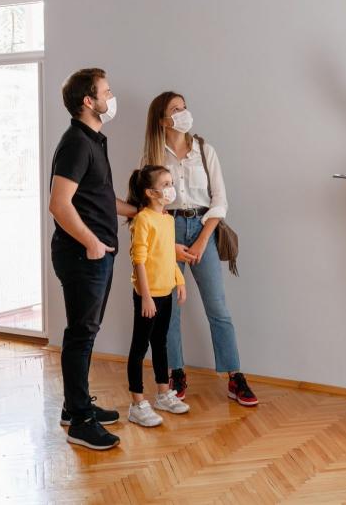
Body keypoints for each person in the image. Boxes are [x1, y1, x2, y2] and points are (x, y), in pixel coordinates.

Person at [140, 91, 258, 407]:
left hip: (203, 227)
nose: (183, 113)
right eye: (175, 109)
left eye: (184, 107)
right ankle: (176, 372)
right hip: (167, 231)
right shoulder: (153, 156)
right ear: (162, 120)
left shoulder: (204, 150)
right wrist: (169, 245)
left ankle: (235, 375)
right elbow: (148, 206)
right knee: (171, 311)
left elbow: (219, 201)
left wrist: (204, 238)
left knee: (217, 307)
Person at [49, 68, 138, 450]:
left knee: (86, 333)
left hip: (98, 254)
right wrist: (91, 243)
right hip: (83, 256)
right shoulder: (75, 143)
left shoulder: (94, 140)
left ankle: (76, 406)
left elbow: (99, 198)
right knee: (81, 336)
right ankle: (81, 423)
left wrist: (138, 211)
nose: (111, 97)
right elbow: (59, 204)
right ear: (89, 101)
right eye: (107, 91)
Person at [124, 166, 191, 427]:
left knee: (160, 343)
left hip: (167, 292)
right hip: (148, 296)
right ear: (151, 192)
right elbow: (138, 261)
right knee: (139, 347)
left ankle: (164, 393)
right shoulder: (143, 220)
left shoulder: (167, 219)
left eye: (171, 182)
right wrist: (146, 297)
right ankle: (137, 403)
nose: (171, 187)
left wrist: (180, 281)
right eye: (166, 183)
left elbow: (168, 256)